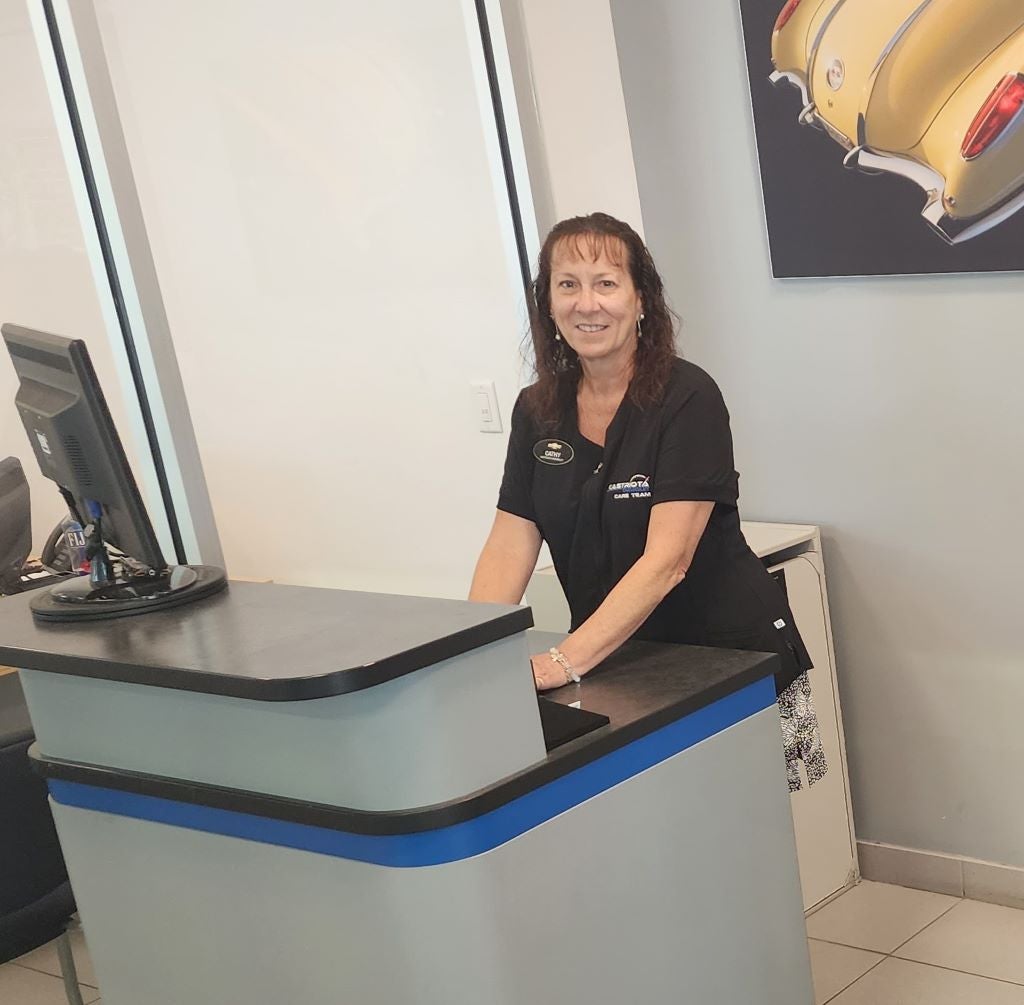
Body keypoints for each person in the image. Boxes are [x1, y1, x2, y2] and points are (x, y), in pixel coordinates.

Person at [469, 212, 826, 791]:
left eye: (606, 283)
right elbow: (510, 541)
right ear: (548, 304)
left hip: (726, 661)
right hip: (613, 659)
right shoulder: (537, 410)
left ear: (641, 300)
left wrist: (562, 662)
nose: (587, 303)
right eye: (568, 284)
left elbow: (667, 561)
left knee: (750, 824)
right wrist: (470, 655)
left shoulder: (688, 397)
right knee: (648, 824)